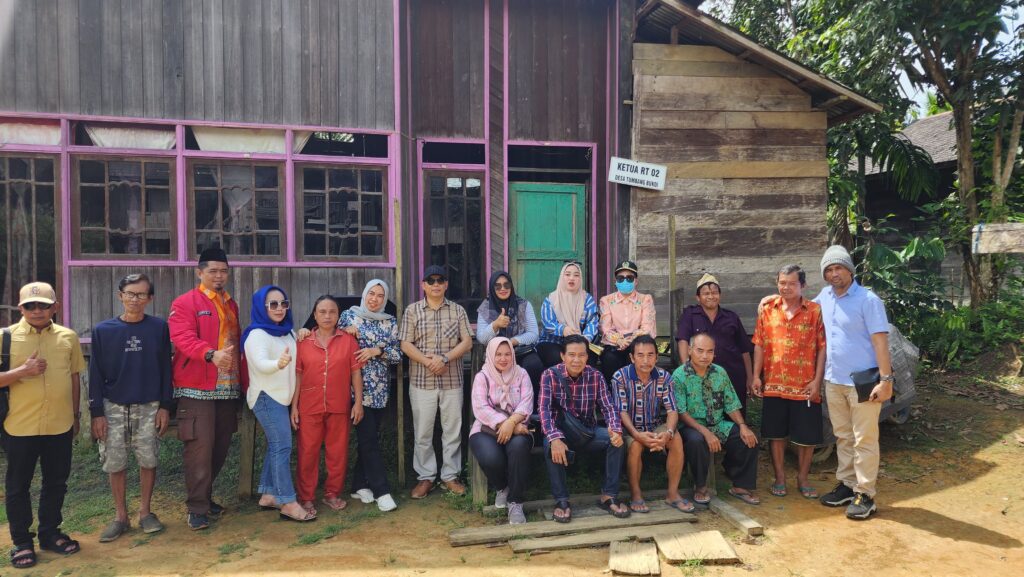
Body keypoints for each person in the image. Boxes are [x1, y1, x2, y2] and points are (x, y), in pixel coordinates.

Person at [2, 282, 86, 568]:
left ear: (55, 307)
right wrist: (21, 371)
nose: (37, 311)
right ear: (20, 307)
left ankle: (50, 533)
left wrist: (75, 416)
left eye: (43, 305)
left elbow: (75, 377)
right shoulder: (5, 337)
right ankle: (21, 542)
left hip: (59, 424)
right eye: (30, 305)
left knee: (56, 482)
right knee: (17, 486)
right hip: (19, 425)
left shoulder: (68, 337)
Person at [89, 274, 173, 542]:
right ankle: (120, 516)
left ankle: (146, 512)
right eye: (130, 293)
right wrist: (96, 413)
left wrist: (165, 406)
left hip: (149, 403)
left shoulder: (158, 328)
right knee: (115, 460)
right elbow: (95, 373)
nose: (135, 299)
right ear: (120, 295)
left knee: (148, 458)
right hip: (113, 404)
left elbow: (165, 369)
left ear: (150, 298)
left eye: (141, 295)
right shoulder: (103, 330)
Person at [815, 245, 893, 520]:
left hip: (863, 382)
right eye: (829, 269)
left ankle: (866, 493)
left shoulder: (868, 300)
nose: (834, 273)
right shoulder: (824, 297)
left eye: (839, 268)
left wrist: (886, 380)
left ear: (850, 270)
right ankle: (847, 485)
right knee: (843, 436)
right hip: (833, 379)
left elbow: (880, 341)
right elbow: (800, 309)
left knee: (865, 438)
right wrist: (772, 299)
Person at [168, 247, 240, 530]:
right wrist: (210, 354)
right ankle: (196, 508)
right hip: (197, 385)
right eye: (213, 271)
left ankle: (206, 499)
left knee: (220, 446)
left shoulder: (230, 304)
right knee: (199, 447)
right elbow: (182, 338)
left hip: (227, 387)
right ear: (200, 273)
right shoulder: (185, 302)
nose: (219, 276)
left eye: (223, 271)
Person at [751, 265, 826, 501]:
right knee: (776, 434)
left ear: (802, 285)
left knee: (807, 437)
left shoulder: (815, 311)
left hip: (805, 385)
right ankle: (780, 478)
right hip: (773, 383)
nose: (786, 288)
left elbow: (823, 348)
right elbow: (759, 343)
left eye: (791, 283)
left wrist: (817, 381)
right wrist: (755, 376)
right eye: (782, 283)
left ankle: (803, 479)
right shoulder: (767, 309)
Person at [399, 265, 473, 499]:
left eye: (440, 280)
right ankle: (426, 477)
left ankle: (450, 476)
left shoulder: (458, 310)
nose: (436, 284)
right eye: (430, 280)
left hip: (452, 380)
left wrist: (444, 358)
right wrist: (427, 361)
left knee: (453, 431)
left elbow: (467, 342)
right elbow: (405, 344)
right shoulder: (412, 311)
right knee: (423, 432)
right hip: (422, 381)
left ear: (446, 284)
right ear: (423, 285)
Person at [241, 285, 313, 522]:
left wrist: (302, 333)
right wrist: (278, 364)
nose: (280, 308)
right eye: (273, 304)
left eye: (284, 303)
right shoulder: (256, 334)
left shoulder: (287, 332)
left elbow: (296, 351)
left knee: (277, 445)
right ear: (262, 307)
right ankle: (288, 502)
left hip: (282, 397)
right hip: (265, 396)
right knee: (282, 446)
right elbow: (260, 364)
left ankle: (269, 494)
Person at [539, 334, 627, 522]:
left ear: (587, 357)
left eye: (581, 355)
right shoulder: (549, 375)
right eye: (571, 355)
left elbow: (608, 406)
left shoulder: (595, 376)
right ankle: (561, 500)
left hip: (588, 432)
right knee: (549, 445)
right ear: (562, 356)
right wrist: (555, 438)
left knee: (617, 442)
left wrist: (615, 429)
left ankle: (609, 495)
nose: (576, 360)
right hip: (560, 432)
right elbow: (544, 411)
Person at [293, 295, 364, 513]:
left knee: (337, 452)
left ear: (338, 316)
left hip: (339, 405)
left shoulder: (349, 340)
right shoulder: (303, 342)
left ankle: (332, 494)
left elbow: (355, 373)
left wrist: (358, 403)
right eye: (322, 311)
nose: (327, 316)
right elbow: (297, 376)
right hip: (309, 406)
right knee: (308, 453)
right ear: (314, 315)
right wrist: (294, 407)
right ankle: (306, 497)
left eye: (332, 312)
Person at [672, 333, 760, 506]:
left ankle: (740, 486)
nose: (705, 356)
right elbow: (681, 412)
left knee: (749, 439)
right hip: (691, 426)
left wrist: (742, 426)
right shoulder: (679, 375)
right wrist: (705, 432)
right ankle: (701, 486)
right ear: (689, 350)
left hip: (718, 424)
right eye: (700, 351)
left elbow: (731, 403)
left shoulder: (719, 372)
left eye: (709, 351)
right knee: (697, 441)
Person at [341, 280, 401, 513]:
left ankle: (358, 485)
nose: (374, 299)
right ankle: (381, 491)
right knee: (368, 439)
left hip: (380, 389)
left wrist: (379, 351)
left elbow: (397, 354)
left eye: (379, 295)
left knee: (370, 438)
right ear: (364, 294)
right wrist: (345, 331)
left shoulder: (390, 321)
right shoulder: (349, 316)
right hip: (355, 388)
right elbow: (332, 336)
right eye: (371, 294)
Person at [614, 335, 691, 514]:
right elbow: (621, 411)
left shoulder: (664, 377)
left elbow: (672, 410)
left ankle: (672, 493)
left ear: (657, 357)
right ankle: (636, 494)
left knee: (676, 439)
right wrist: (636, 434)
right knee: (635, 446)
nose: (646, 360)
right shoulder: (620, 377)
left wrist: (669, 432)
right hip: (629, 428)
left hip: (655, 424)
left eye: (650, 355)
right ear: (632, 357)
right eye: (640, 355)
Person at [468, 337, 534, 525]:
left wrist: (511, 423)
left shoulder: (521, 374)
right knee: (491, 458)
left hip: (518, 426)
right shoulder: (482, 377)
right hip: (486, 428)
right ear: (490, 355)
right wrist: (504, 423)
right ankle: (502, 487)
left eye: (507, 354)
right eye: (498, 354)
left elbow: (527, 403)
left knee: (519, 447)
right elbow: (480, 407)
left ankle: (515, 501)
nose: (503, 358)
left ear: (513, 355)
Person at [676, 273, 753, 413]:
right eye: (706, 293)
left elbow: (744, 349)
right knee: (705, 413)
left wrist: (750, 378)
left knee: (734, 412)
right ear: (698, 298)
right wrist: (686, 369)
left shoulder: (731, 317)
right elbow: (683, 341)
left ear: (720, 295)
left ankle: (737, 432)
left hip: (732, 374)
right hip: (701, 374)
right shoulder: (690, 315)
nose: (711, 296)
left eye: (714, 293)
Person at [476, 271, 544, 390]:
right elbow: (481, 338)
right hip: (497, 355)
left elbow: (533, 334)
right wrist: (495, 325)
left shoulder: (524, 305)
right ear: (492, 288)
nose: (503, 288)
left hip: (522, 352)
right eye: (498, 286)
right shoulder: (485, 307)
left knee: (534, 365)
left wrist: (513, 341)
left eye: (506, 285)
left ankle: (532, 405)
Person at [599, 260, 656, 385]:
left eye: (629, 278)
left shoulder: (645, 299)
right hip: (615, 343)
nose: (625, 281)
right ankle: (612, 393)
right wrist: (619, 340)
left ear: (636, 281)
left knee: (639, 357)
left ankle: (639, 392)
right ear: (616, 282)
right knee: (609, 359)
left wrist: (630, 340)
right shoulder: (606, 300)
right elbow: (606, 327)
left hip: (638, 341)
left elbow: (647, 326)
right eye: (620, 278)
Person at [538, 261, 600, 368]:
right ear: (562, 277)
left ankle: (583, 384)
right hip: (554, 341)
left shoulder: (587, 299)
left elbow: (592, 322)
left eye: (576, 275)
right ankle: (559, 384)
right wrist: (563, 330)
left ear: (580, 279)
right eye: (567, 274)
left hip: (580, 341)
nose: (571, 278)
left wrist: (585, 338)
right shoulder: (551, 299)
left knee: (589, 357)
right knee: (556, 357)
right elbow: (548, 323)